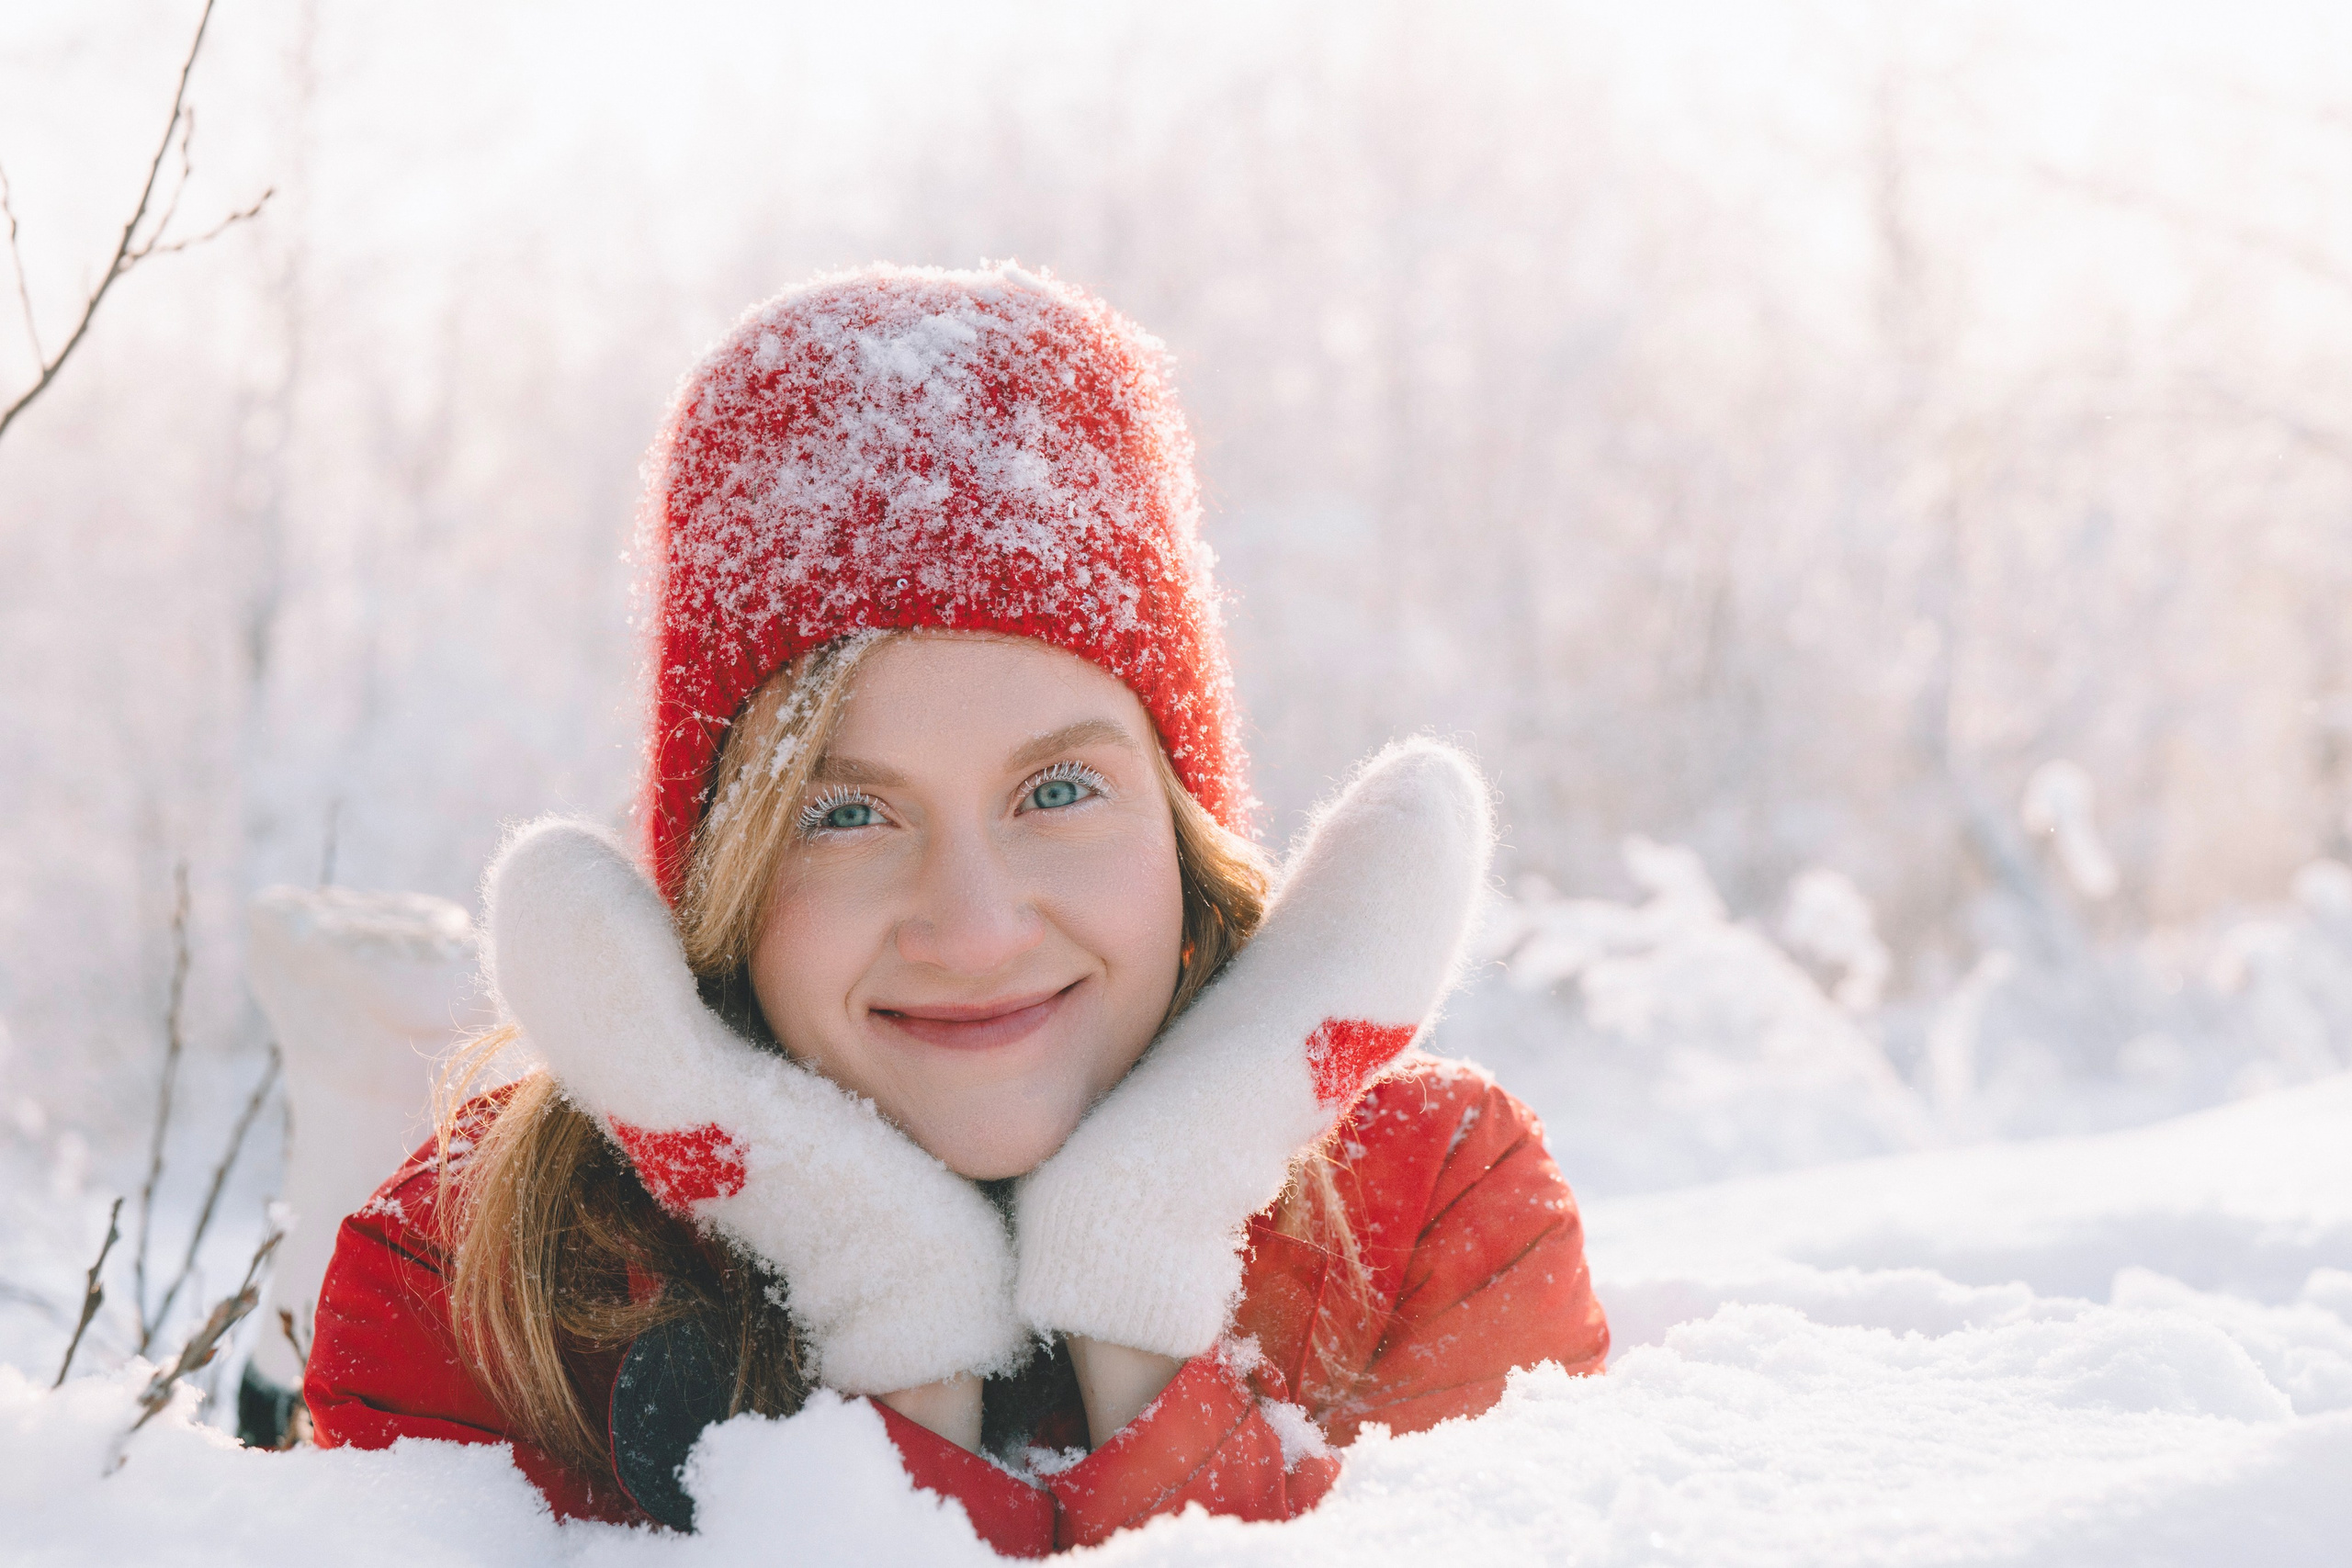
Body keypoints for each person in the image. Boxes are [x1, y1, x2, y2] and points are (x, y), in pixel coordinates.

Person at [302, 263, 1609, 1556]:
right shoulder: (480, 1287)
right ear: (722, 877)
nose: (977, 931)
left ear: (1179, 824)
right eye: (844, 813)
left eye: (1059, 790)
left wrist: (1149, 1266)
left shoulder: (1431, 1203)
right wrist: (881, 1310)